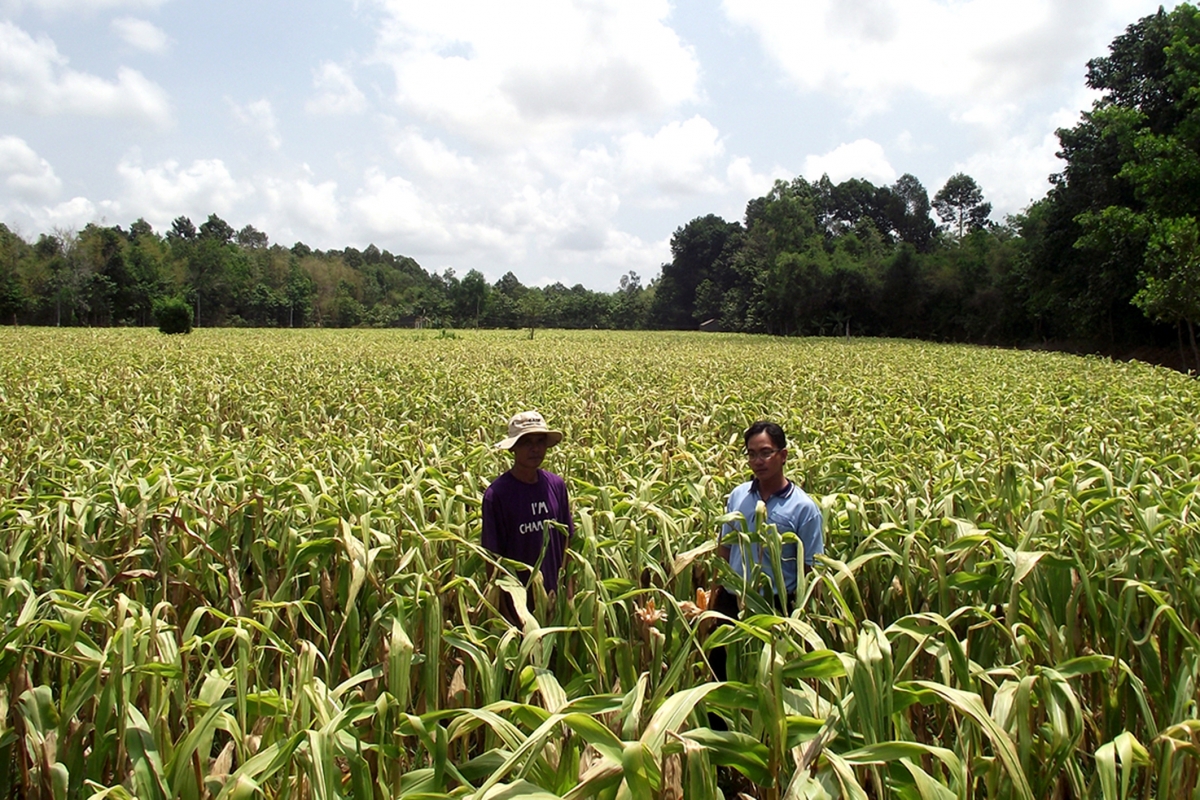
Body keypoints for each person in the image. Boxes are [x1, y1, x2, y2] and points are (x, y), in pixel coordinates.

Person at [711, 420, 823, 682]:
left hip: (776, 607)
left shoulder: (803, 508)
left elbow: (809, 568)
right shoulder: (738, 496)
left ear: (782, 455)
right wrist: (715, 593)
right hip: (732, 602)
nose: (757, 461)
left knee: (770, 682)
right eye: (751, 454)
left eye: (765, 453)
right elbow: (725, 548)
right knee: (722, 676)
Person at [482, 410, 573, 623]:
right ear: (513, 447)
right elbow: (492, 558)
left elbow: (567, 542)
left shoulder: (556, 486)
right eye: (526, 442)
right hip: (518, 604)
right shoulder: (497, 495)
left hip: (553, 600)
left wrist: (568, 595)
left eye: (540, 441)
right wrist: (505, 612)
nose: (535, 449)